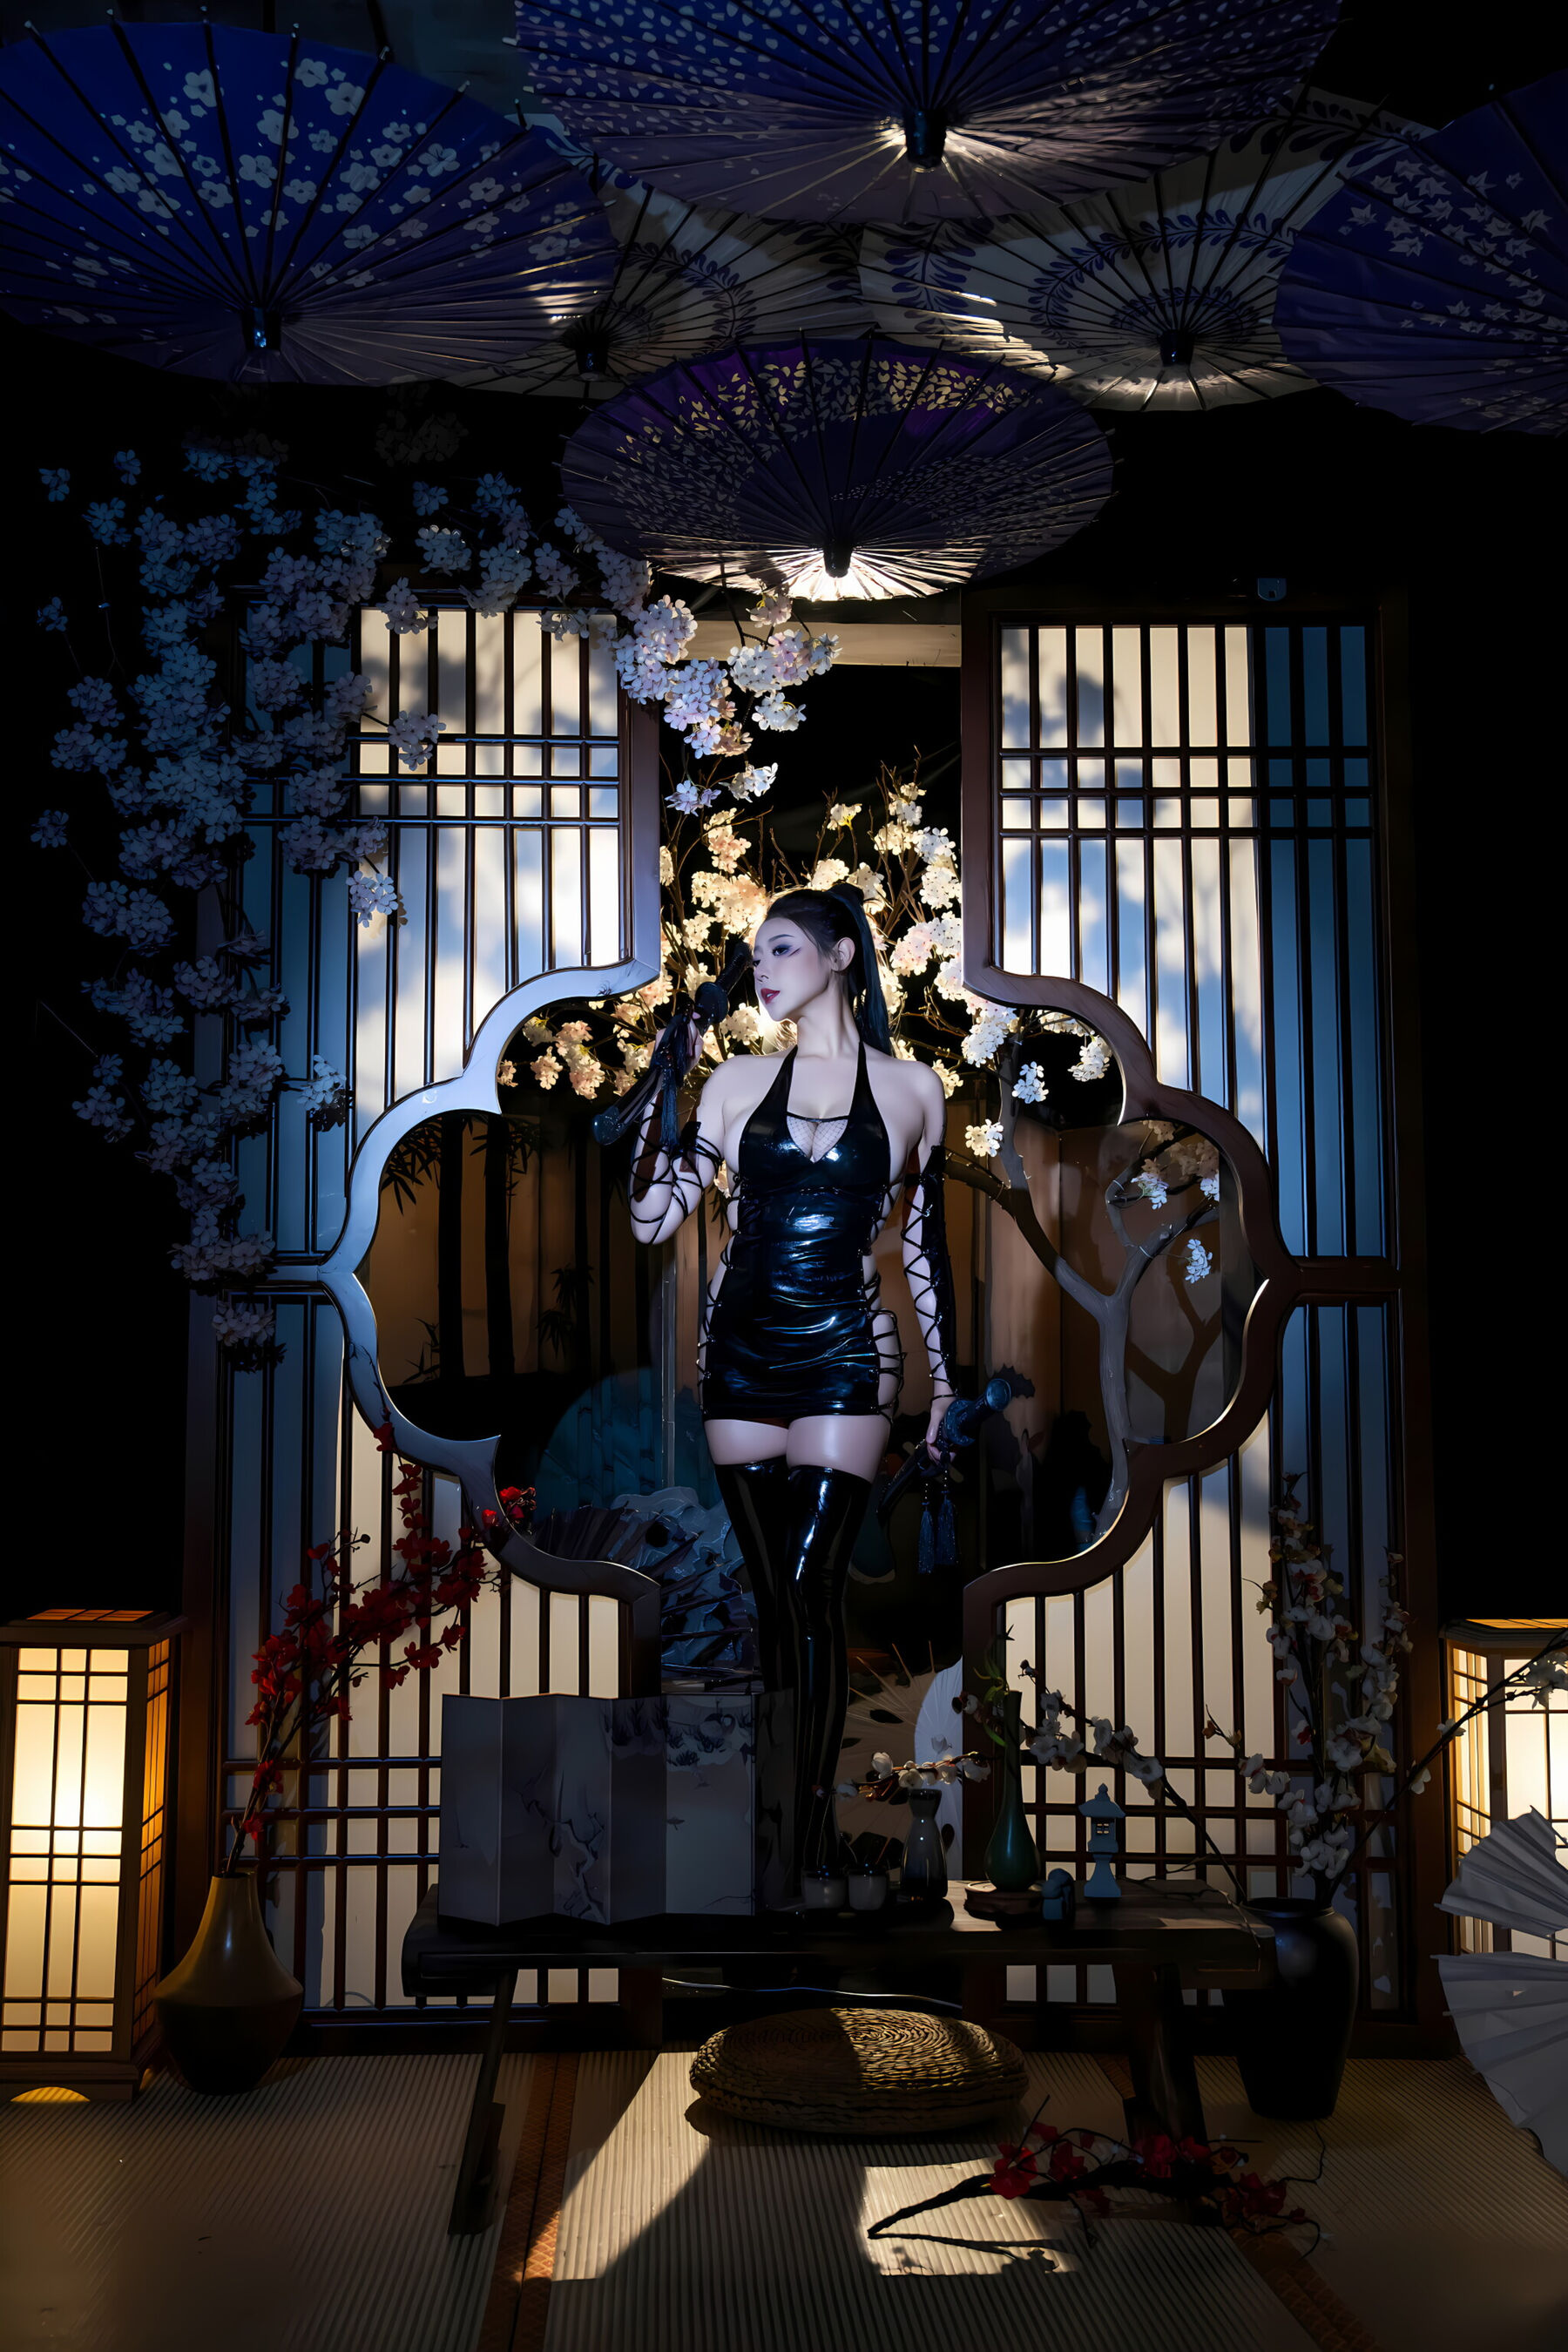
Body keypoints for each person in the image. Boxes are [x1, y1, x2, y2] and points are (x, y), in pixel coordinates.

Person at [630, 882, 956, 1886]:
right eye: (757, 954)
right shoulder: (733, 1084)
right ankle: (781, 1840)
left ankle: (807, 1842)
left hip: (846, 1354)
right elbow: (652, 1218)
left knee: (814, 1586)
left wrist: (946, 1386)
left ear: (841, 955)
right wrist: (665, 1085)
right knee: (776, 1603)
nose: (761, 970)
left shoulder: (915, 1089)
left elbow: (925, 1250)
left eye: (779, 949)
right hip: (741, 1354)